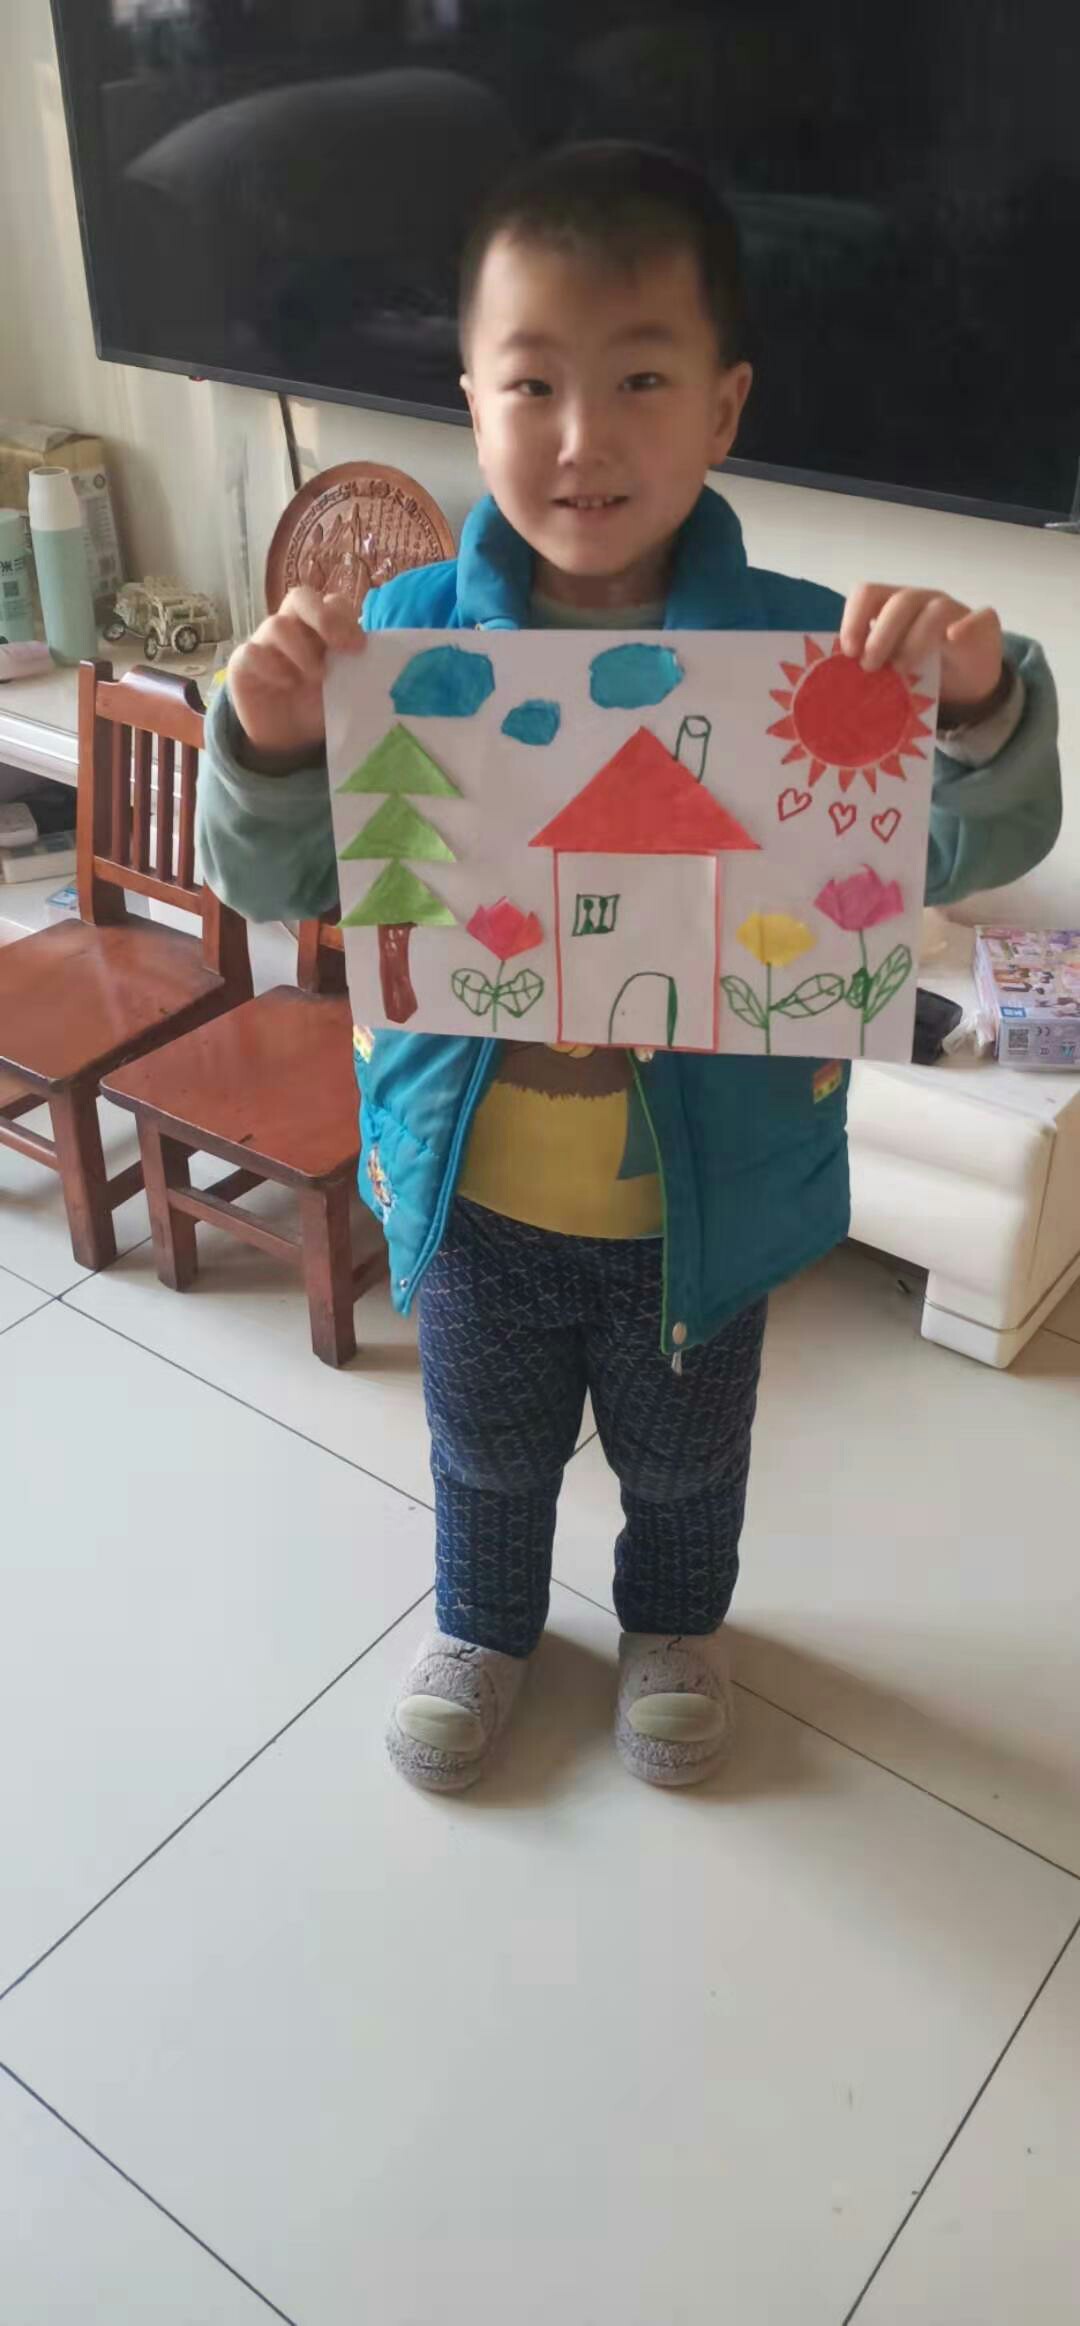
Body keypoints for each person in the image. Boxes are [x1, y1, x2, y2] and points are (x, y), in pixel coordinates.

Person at [198, 142, 1060, 1794]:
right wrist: (271, 741)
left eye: (641, 379)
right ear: (470, 398)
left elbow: (963, 845)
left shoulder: (811, 650)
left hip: (699, 1200)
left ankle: (674, 1624)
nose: (581, 436)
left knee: (685, 1462)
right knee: (483, 1444)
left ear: (725, 408)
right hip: (472, 1183)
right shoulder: (400, 638)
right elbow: (277, 878)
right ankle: (484, 1622)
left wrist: (976, 707)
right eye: (533, 383)